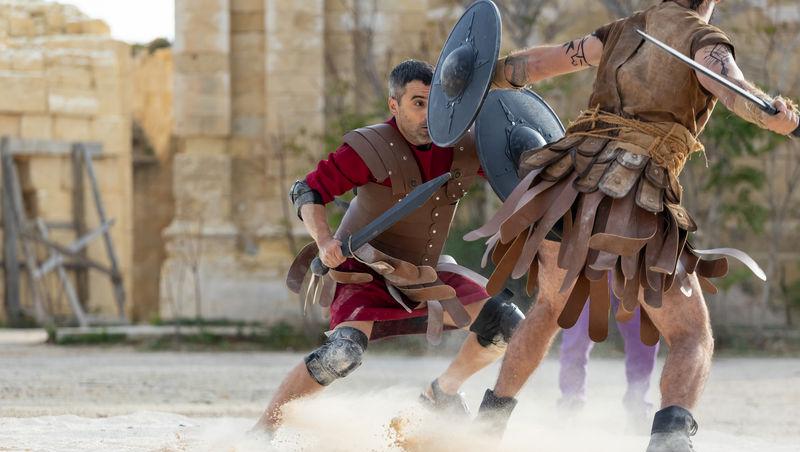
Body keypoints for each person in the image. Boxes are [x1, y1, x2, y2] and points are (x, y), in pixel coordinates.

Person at [468, 1, 799, 451]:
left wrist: (484, 76)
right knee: (690, 334)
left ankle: (485, 428)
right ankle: (669, 441)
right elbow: (732, 88)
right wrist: (777, 118)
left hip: (567, 185)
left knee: (548, 307)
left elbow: (538, 64)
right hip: (632, 192)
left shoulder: (624, 29)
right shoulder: (705, 41)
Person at [254, 59, 525, 432]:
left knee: (507, 325)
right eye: (418, 103)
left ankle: (442, 392)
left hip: (423, 273)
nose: (428, 114)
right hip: (362, 272)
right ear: (394, 105)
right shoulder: (370, 147)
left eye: (434, 103)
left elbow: (516, 164)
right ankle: (264, 430)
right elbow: (308, 190)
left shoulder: (462, 147)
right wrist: (324, 239)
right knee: (343, 353)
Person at [558, 285, 659, 433]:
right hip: (589, 270)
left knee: (642, 336)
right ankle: (570, 403)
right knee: (577, 333)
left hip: (634, 271)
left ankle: (638, 408)